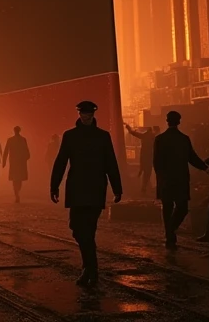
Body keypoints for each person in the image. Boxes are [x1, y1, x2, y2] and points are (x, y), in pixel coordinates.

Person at [50, 100, 122, 287]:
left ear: (92, 115)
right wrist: (54, 186)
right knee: (78, 229)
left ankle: (90, 270)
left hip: (87, 190)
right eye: (84, 114)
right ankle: (89, 269)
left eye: (89, 114)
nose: (86, 117)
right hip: (85, 190)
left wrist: (117, 189)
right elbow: (61, 162)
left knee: (85, 231)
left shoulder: (93, 136)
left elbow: (111, 164)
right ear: (80, 114)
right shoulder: (79, 136)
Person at [153, 110, 208, 249]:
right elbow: (192, 158)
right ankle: (171, 232)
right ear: (179, 121)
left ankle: (169, 234)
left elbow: (156, 161)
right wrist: (206, 168)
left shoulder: (160, 139)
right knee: (182, 208)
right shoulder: (184, 139)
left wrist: (160, 178)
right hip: (181, 179)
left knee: (167, 207)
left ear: (167, 121)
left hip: (165, 179)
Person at [124, 123, 158, 195]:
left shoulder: (144, 136)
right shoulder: (153, 137)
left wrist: (129, 128)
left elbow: (133, 133)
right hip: (150, 157)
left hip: (144, 157)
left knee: (145, 173)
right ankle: (145, 188)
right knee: (148, 173)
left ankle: (144, 188)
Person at [2, 126, 31, 203]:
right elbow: (6, 151)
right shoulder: (20, 140)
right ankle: (17, 193)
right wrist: (4, 161)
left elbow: (6, 151)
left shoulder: (14, 140)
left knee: (17, 179)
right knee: (17, 179)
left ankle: (17, 193)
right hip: (19, 162)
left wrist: (4, 161)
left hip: (16, 162)